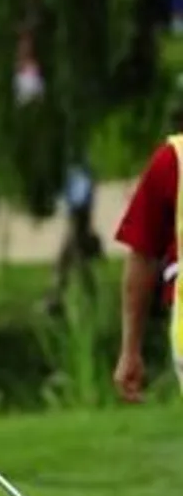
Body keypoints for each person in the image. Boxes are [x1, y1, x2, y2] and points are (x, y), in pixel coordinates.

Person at [113, 119, 183, 399]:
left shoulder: (174, 159)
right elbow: (142, 256)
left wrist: (130, 349)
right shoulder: (172, 161)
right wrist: (130, 349)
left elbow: (142, 257)